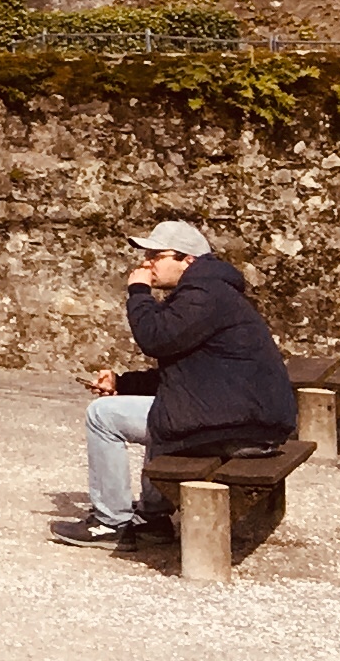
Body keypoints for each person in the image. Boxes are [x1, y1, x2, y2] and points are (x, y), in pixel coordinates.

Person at [78, 219, 298, 542]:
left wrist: (138, 292)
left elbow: (155, 338)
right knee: (166, 410)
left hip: (237, 425)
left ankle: (110, 521)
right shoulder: (211, 291)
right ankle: (152, 518)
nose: (147, 262)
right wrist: (122, 384)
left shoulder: (203, 294)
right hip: (244, 419)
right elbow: (183, 376)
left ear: (188, 259)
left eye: (156, 255)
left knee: (101, 417)